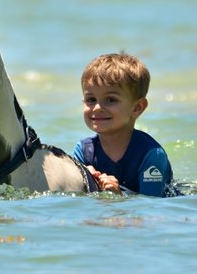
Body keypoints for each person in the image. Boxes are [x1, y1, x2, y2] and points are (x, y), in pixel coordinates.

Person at [73, 53, 175, 197]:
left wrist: (119, 196)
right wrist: (84, 180)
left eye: (110, 99)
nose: (97, 107)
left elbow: (152, 208)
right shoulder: (83, 152)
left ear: (137, 107)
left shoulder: (151, 155)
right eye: (91, 99)